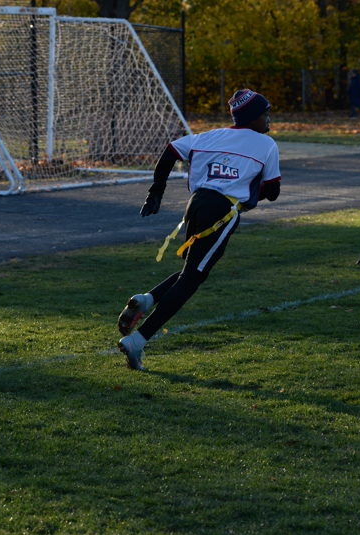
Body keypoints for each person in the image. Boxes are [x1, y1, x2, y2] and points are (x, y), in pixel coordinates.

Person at [117, 89, 281, 370]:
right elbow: (273, 191)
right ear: (253, 116)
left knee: (191, 270)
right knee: (193, 278)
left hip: (196, 204)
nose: (269, 118)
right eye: (265, 113)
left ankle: (146, 300)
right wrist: (251, 190)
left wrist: (156, 190)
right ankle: (139, 340)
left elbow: (171, 151)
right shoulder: (266, 144)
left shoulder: (210, 136)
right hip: (222, 211)